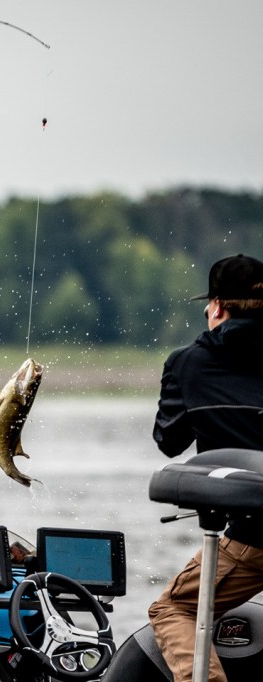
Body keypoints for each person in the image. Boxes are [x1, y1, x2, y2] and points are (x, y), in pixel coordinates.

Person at [148, 253, 263, 682]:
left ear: (216, 306)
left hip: (254, 537)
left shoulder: (189, 362)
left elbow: (169, 441)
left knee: (172, 607)